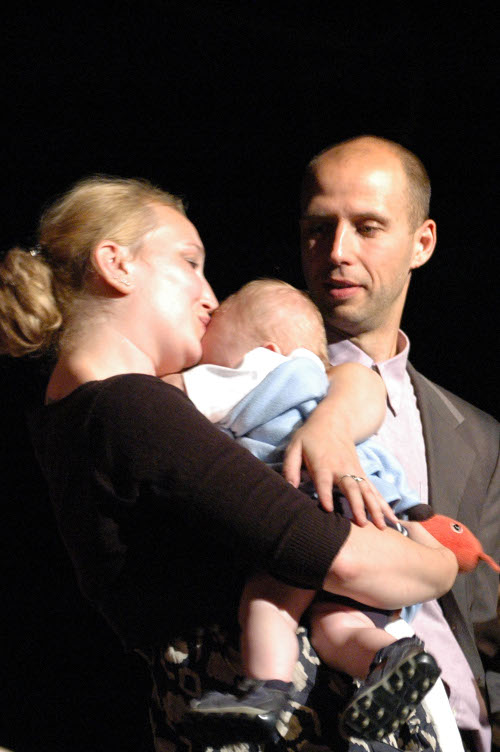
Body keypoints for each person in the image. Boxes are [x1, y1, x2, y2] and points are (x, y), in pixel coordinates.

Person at [0, 175, 458, 752]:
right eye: (189, 262)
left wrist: (331, 423)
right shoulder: (130, 406)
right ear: (117, 264)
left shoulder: (73, 417)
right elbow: (337, 557)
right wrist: (440, 564)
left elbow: (336, 376)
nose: (210, 297)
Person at [300, 135, 500, 752]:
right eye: (319, 228)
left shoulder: (475, 433)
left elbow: (487, 622)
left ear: (423, 243)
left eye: (367, 227)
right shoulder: (256, 384)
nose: (338, 251)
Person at [177, 278, 443, 741]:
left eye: (214, 341)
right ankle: (387, 657)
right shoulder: (328, 394)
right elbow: (388, 474)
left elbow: (169, 396)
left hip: (316, 508)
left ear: (266, 350)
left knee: (268, 602)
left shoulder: (258, 371)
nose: (206, 357)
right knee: (337, 623)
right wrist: (409, 512)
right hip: (378, 521)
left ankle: (264, 692)